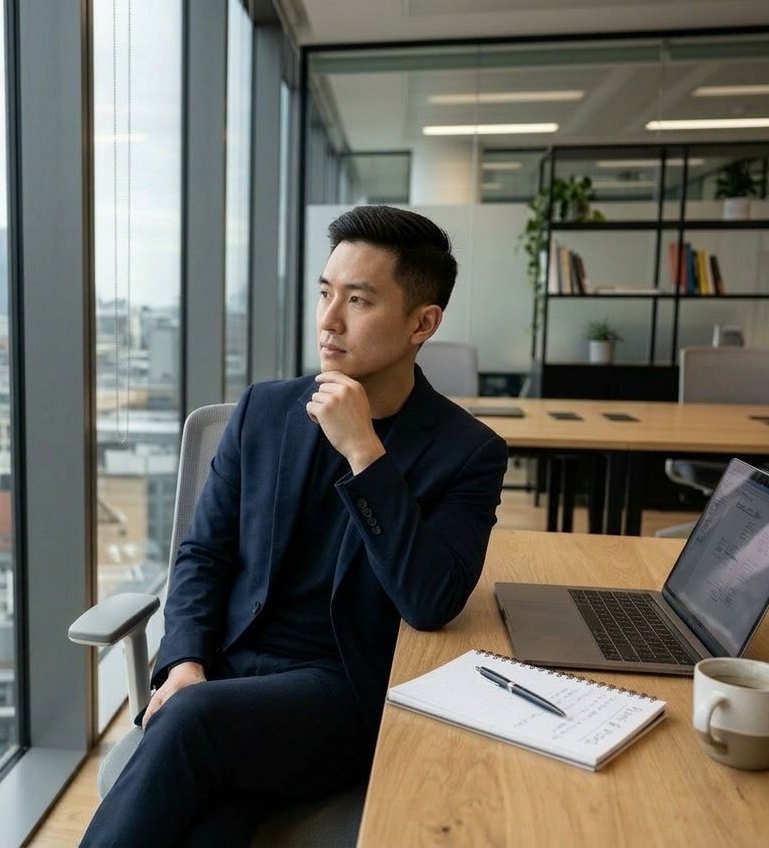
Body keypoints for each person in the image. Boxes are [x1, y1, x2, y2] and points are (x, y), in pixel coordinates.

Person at [81, 205, 509, 847]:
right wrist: (184, 661)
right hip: (224, 674)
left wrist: (365, 453)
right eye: (325, 292)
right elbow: (202, 555)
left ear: (423, 323)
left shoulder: (467, 451)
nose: (329, 321)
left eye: (358, 300)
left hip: (338, 690)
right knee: (207, 826)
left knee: (195, 727)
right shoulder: (265, 410)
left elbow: (430, 601)